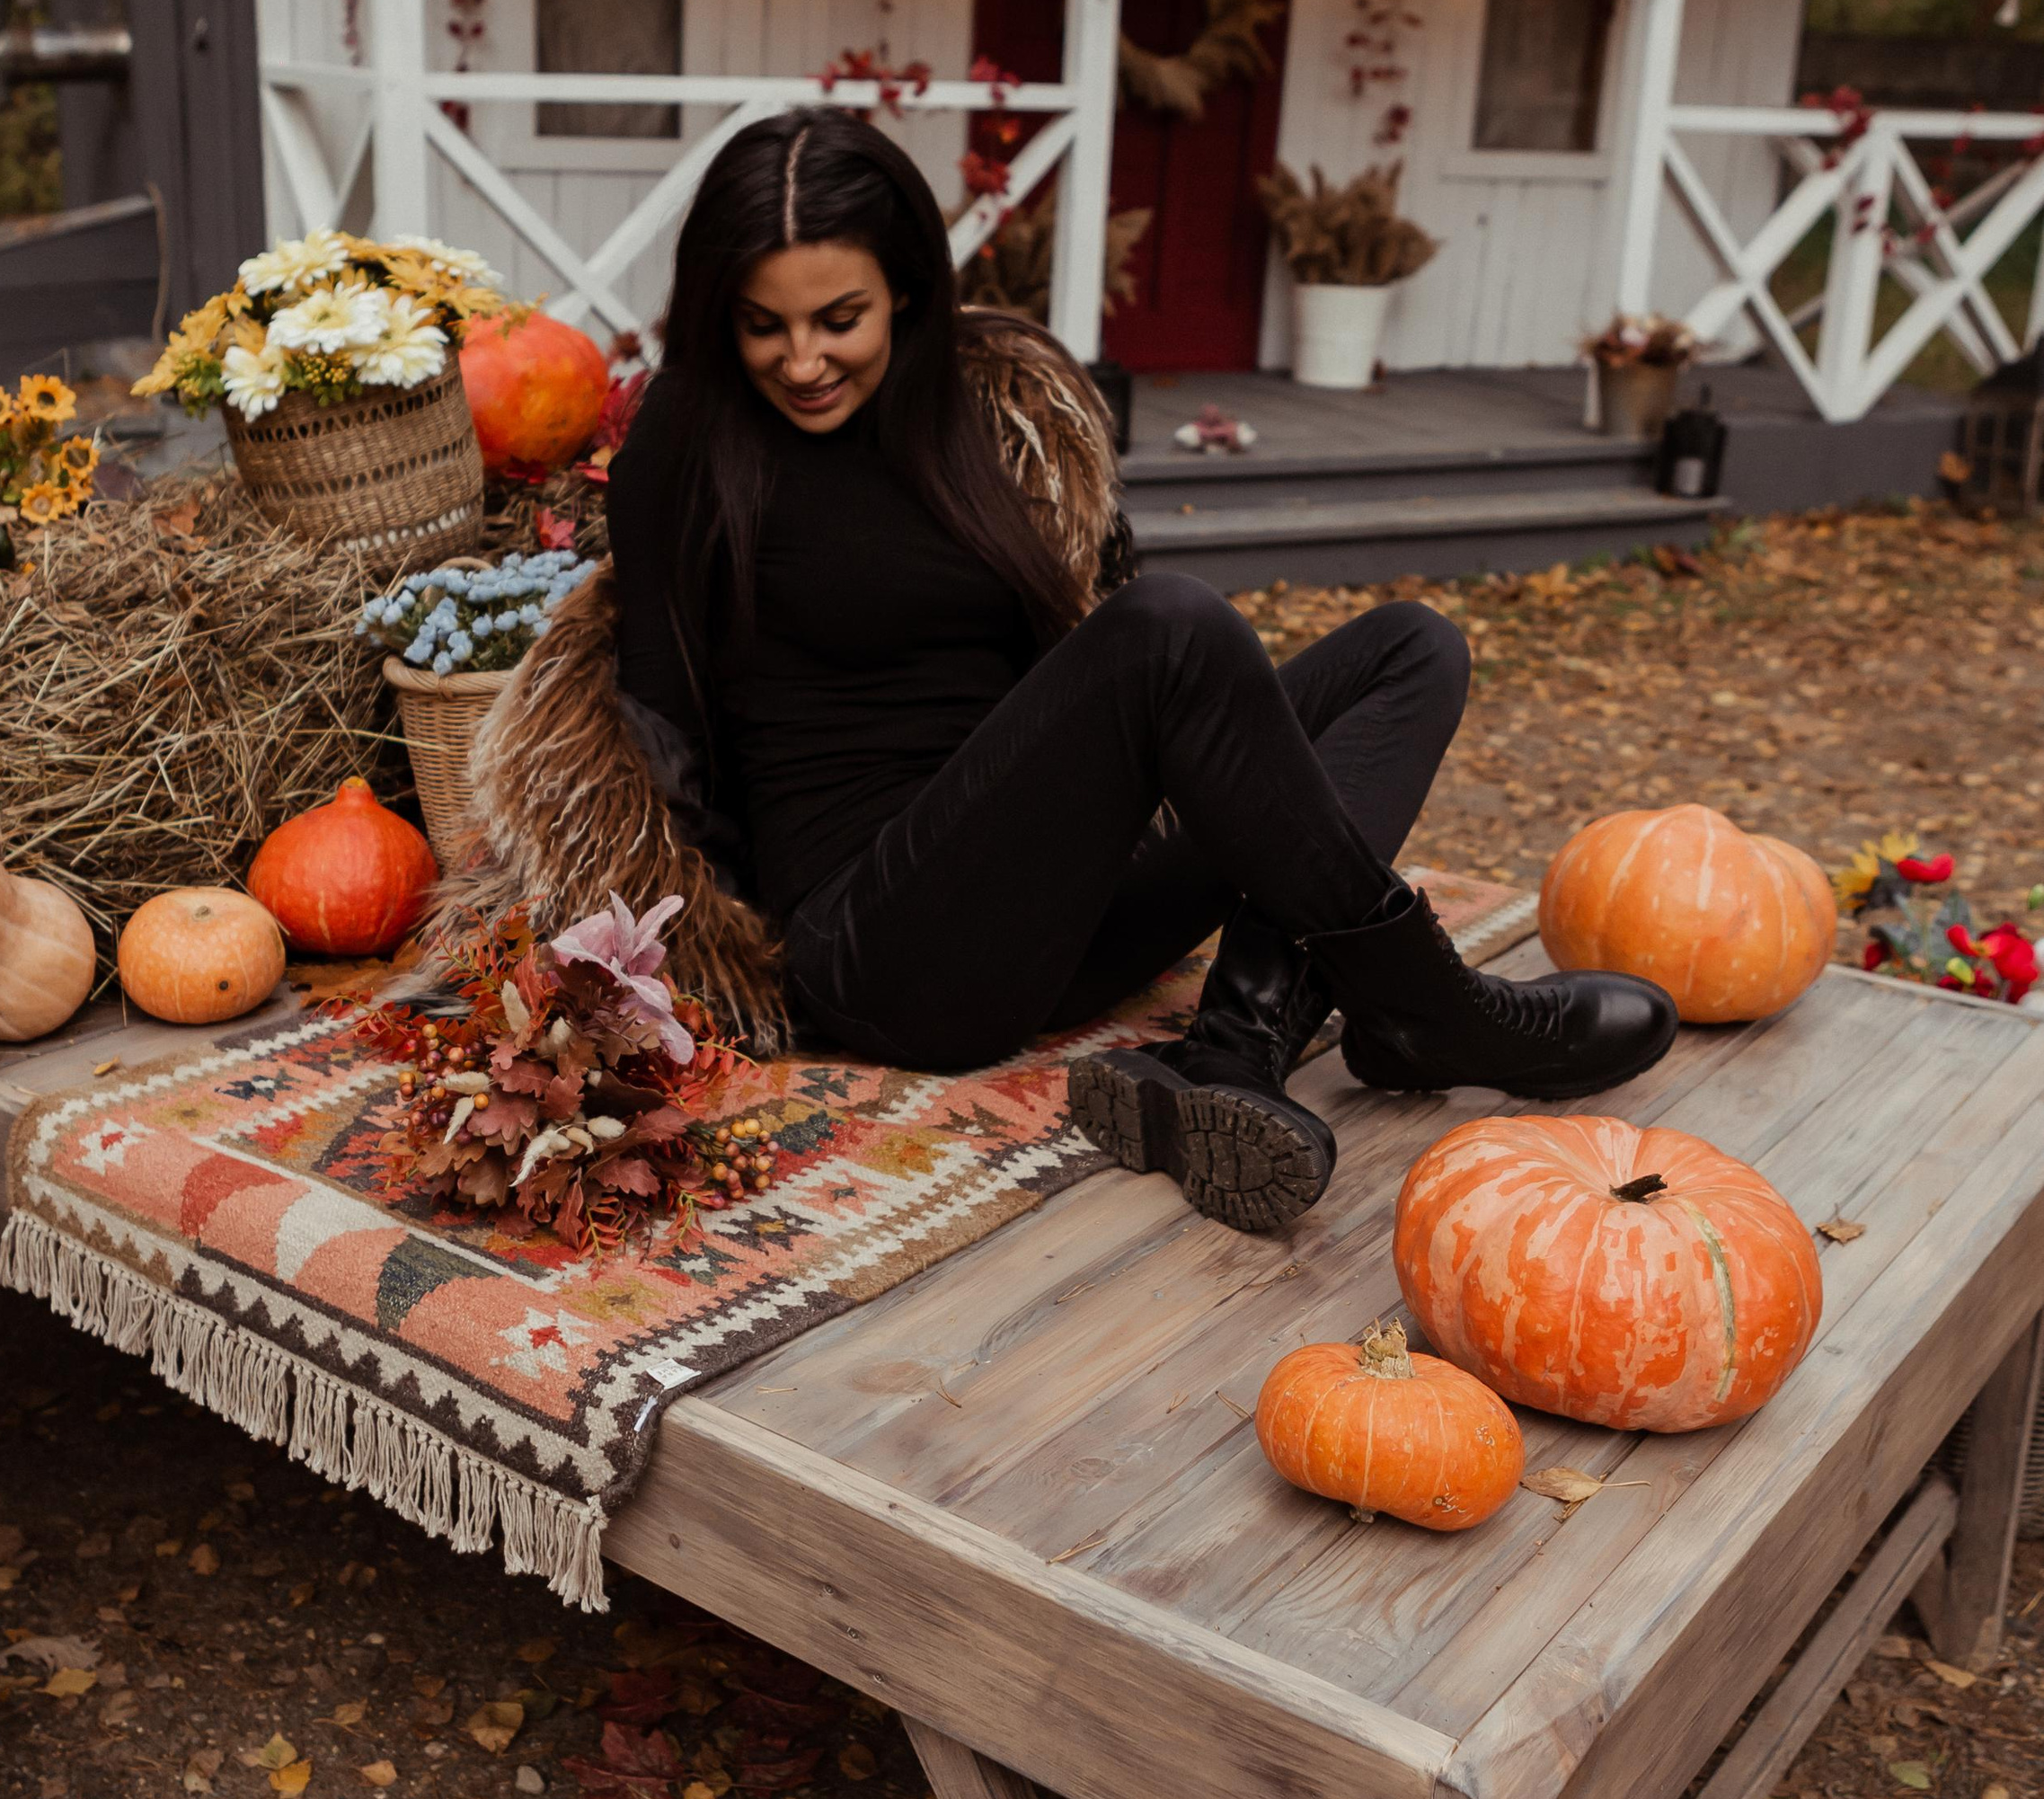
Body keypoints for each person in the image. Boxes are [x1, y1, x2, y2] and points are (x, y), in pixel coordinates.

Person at [454, 109, 1675, 1234]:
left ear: (908, 294)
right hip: (886, 948)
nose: (803, 359)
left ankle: (1236, 1049)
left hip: (1060, 905)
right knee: (1171, 628)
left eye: (841, 319)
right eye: (763, 324)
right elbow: (660, 717)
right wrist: (709, 980)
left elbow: (1067, 672)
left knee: (1412, 647)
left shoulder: (975, 410)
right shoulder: (689, 435)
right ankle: (1430, 1003)